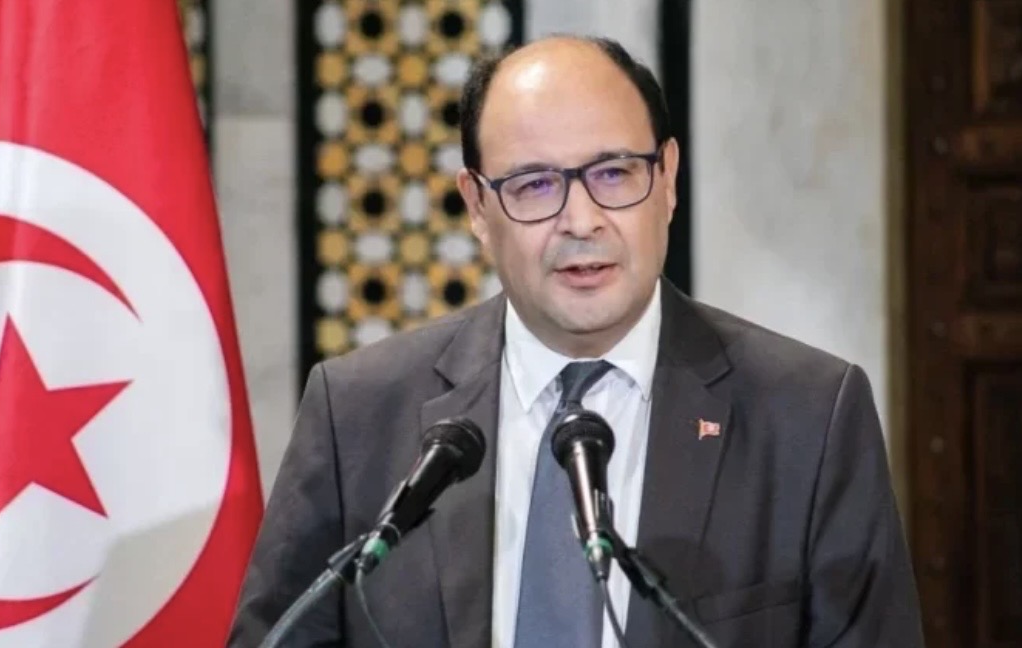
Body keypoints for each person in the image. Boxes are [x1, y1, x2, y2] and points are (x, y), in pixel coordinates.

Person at [227, 35, 924, 648]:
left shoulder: (808, 417)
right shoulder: (357, 413)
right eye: (534, 185)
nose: (581, 220)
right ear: (477, 206)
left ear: (668, 179)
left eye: (614, 173)